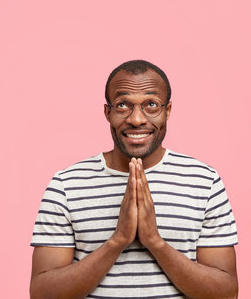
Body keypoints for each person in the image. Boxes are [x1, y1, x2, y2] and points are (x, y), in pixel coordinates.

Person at [29, 60, 238, 299]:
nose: (137, 119)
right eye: (122, 105)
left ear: (167, 110)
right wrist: (118, 240)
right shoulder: (66, 185)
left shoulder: (204, 181)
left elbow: (227, 294)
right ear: (108, 112)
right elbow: (42, 294)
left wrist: (154, 241)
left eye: (151, 104)